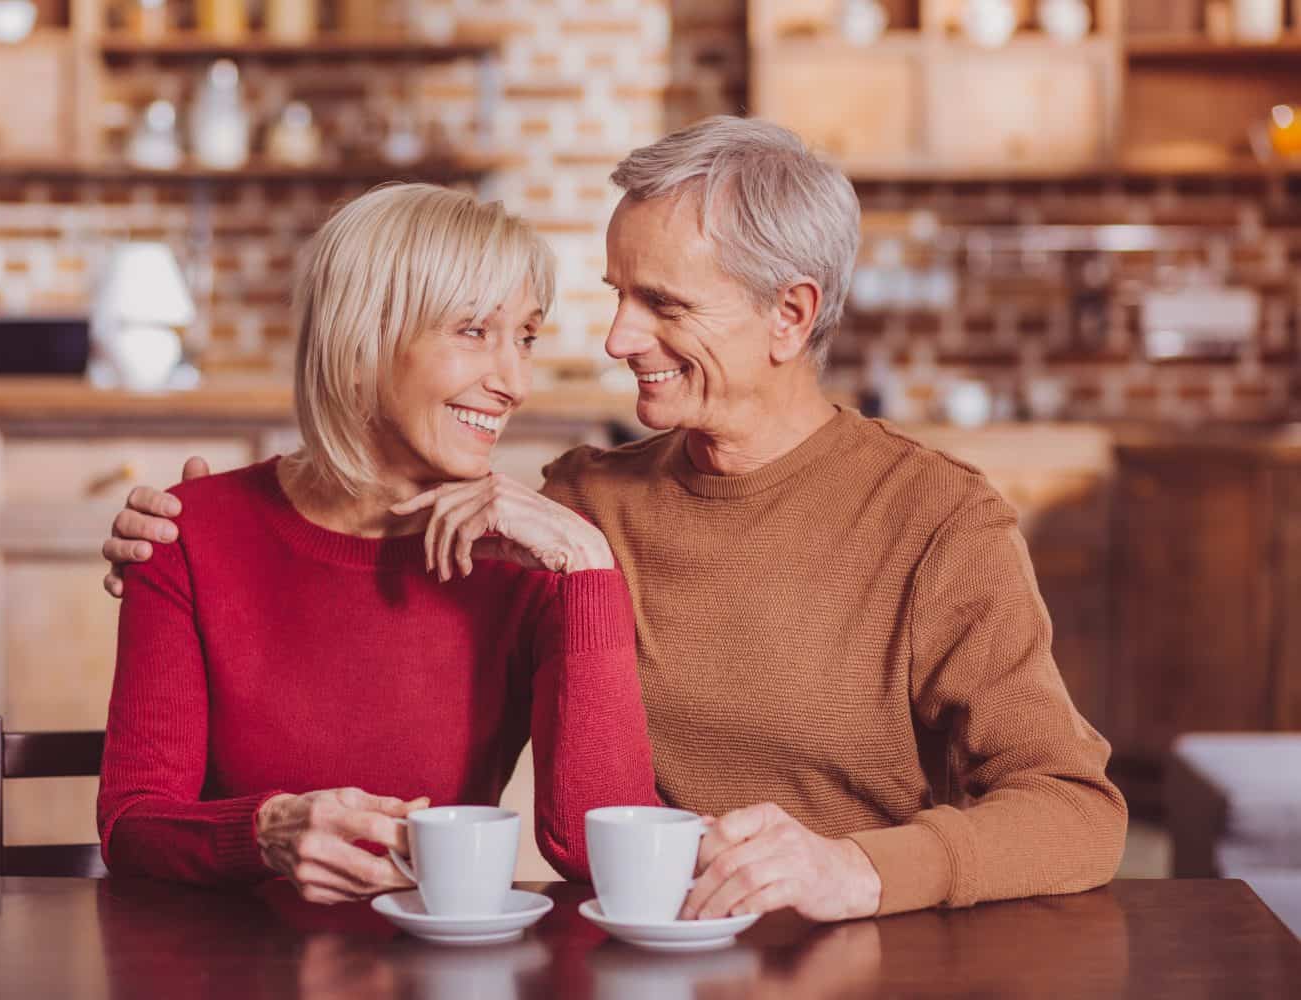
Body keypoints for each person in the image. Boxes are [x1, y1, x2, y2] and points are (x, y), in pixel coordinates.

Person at [102, 118, 1128, 921]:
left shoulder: (938, 521)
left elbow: (1076, 812)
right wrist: (181, 540)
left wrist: (857, 867)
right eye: (615, 294)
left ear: (791, 315)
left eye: (664, 304)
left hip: (866, 954)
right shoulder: (572, 506)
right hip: (634, 960)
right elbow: (361, 574)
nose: (614, 337)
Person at [96, 183, 656, 901]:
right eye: (473, 331)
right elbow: (132, 826)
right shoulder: (187, 535)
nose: (514, 382)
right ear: (360, 347)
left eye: (526, 337)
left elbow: (596, 850)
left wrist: (587, 567)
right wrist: (266, 832)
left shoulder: (530, 566)